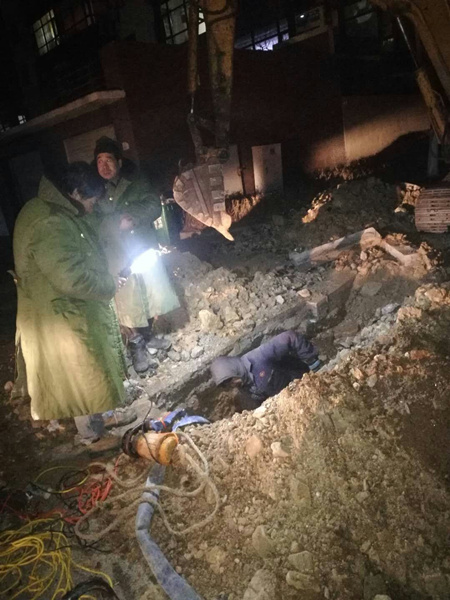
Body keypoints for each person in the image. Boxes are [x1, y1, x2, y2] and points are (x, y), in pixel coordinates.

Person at [13, 162, 135, 452]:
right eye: (91, 199)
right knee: (81, 373)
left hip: (64, 308)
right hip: (60, 314)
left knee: (90, 369)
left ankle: (102, 415)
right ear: (77, 193)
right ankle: (92, 437)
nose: (92, 207)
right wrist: (108, 284)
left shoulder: (52, 208)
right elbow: (70, 276)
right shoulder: (50, 222)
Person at [93, 136, 180, 373]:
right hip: (117, 254)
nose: (104, 166)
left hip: (142, 246)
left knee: (148, 293)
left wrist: (133, 216)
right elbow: (93, 221)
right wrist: (115, 223)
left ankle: (149, 336)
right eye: (99, 161)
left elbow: (153, 205)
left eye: (108, 159)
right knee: (127, 301)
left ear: (119, 162)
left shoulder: (136, 180)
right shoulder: (94, 190)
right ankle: (136, 345)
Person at [210, 330, 323, 408]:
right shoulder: (244, 387)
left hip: (308, 384)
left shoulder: (259, 357)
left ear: (234, 369)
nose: (232, 384)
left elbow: (290, 337)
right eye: (227, 384)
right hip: (293, 401)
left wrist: (312, 362)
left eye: (230, 379)